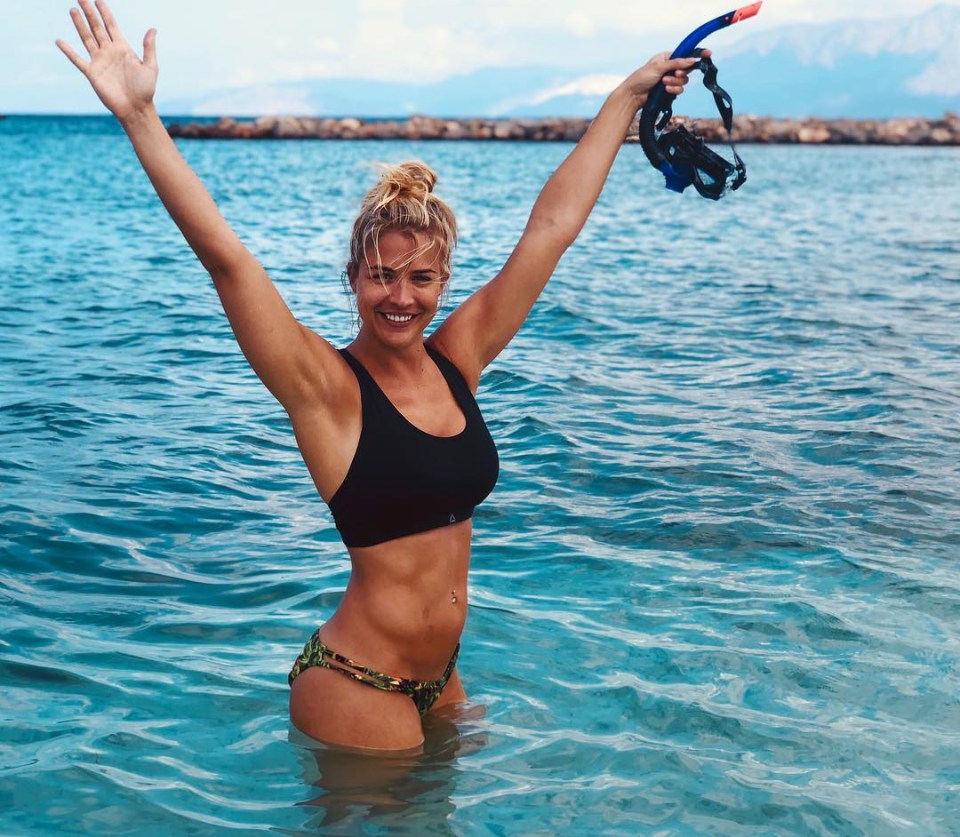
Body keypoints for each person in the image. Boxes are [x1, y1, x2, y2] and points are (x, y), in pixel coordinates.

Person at [58, 0, 700, 752]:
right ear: (354, 278)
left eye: (420, 278)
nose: (400, 297)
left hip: (440, 678)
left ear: (442, 279)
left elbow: (549, 231)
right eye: (381, 276)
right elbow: (228, 259)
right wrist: (140, 117)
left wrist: (624, 100)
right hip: (356, 680)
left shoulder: (458, 358)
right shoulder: (324, 388)